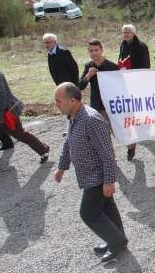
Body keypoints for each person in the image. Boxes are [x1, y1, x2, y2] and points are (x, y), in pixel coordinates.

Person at [53, 83, 128, 263]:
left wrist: (109, 181)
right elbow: (68, 142)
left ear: (72, 100)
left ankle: (116, 241)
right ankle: (117, 239)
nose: (56, 105)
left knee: (88, 213)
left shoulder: (92, 120)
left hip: (98, 176)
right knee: (106, 207)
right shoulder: (72, 116)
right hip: (88, 176)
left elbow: (107, 153)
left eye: (58, 101)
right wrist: (62, 167)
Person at [0, 68, 50, 164]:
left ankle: (43, 149)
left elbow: (2, 95)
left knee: (20, 134)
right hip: (1, 113)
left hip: (6, 112)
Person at [118, 24, 150, 161]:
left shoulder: (142, 46)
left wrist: (142, 78)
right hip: (126, 80)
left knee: (140, 103)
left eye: (128, 32)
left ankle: (144, 124)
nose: (126, 34)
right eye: (124, 32)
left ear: (134, 33)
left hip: (138, 79)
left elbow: (146, 64)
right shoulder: (123, 45)